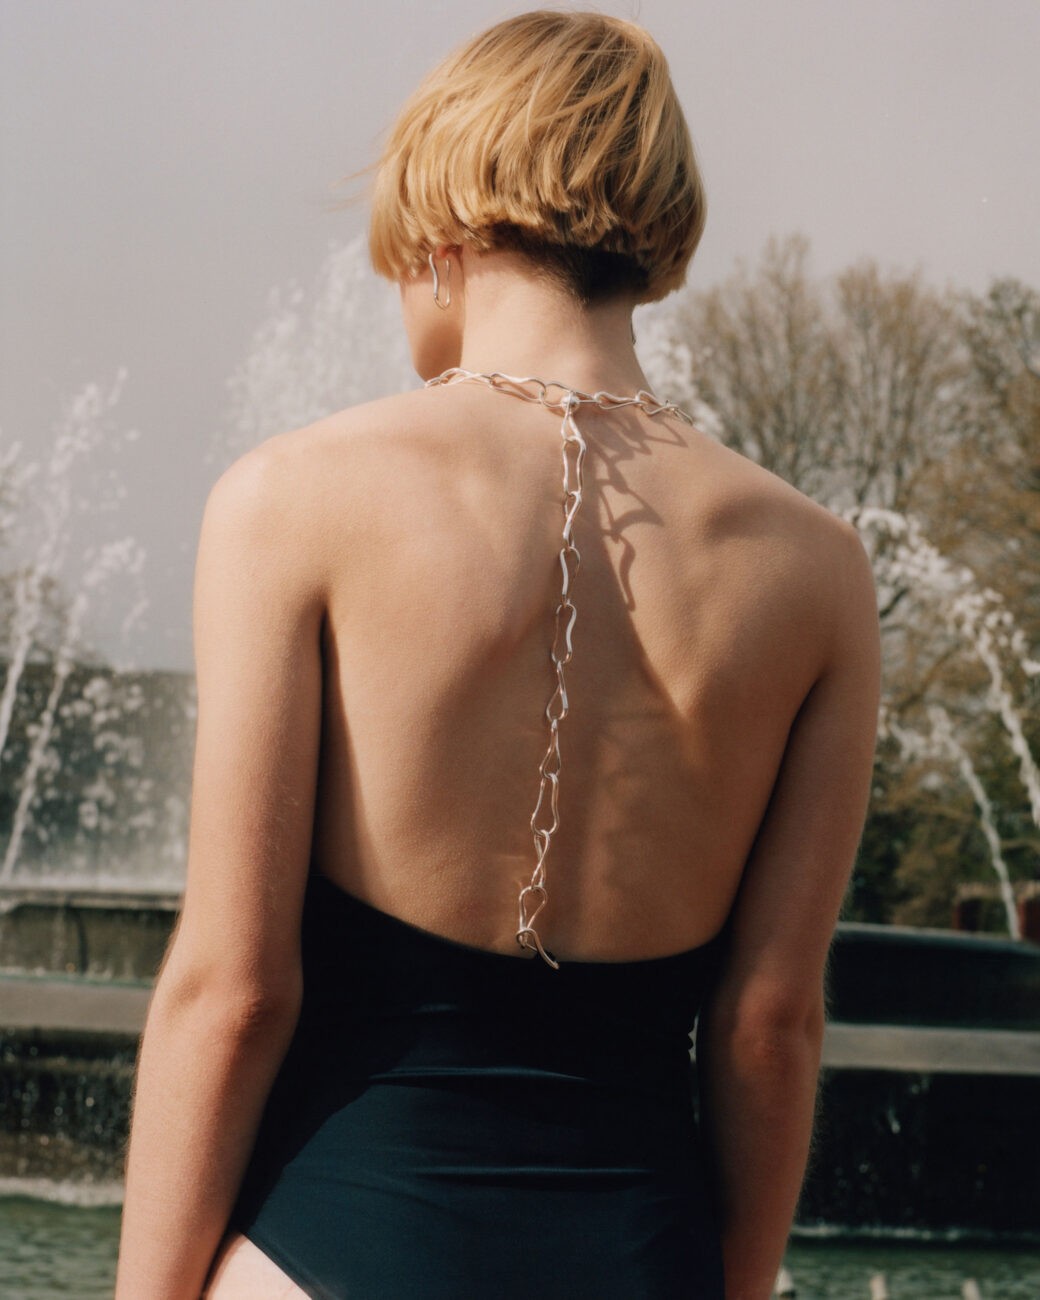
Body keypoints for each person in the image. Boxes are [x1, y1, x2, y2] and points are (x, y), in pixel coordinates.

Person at [115, 10, 880, 1299]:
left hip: (336, 1241)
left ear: (439, 228)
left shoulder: (294, 500)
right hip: (649, 1254)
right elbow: (767, 1028)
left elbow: (234, 992)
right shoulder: (816, 570)